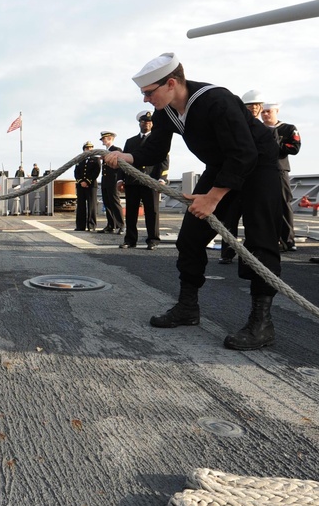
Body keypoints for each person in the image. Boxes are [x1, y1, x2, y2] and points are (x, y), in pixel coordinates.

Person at [104, 53, 282, 351]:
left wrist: (212, 198)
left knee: (261, 241)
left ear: (171, 83)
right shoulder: (167, 113)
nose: (146, 100)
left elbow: (244, 153)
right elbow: (155, 151)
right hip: (221, 166)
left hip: (257, 164)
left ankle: (262, 323)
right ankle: (188, 307)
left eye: (149, 93)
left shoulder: (216, 101)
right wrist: (128, 157)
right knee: (190, 237)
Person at [218, 90, 267, 263]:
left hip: (255, 182)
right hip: (236, 181)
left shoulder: (267, 130)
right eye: (249, 105)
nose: (253, 108)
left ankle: (252, 256)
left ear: (261, 107)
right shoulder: (234, 127)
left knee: (254, 220)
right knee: (230, 219)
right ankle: (227, 253)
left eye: (256, 105)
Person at [118, 112, 169, 250]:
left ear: (152, 124)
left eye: (149, 122)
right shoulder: (130, 141)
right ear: (139, 123)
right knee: (131, 213)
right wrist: (120, 180)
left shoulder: (158, 139)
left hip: (150, 181)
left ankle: (153, 240)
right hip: (132, 182)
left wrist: (162, 179)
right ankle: (130, 240)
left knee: (152, 212)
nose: (146, 123)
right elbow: (123, 161)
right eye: (143, 121)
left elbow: (164, 160)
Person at [261, 102, 302, 252]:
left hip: (279, 170)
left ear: (276, 111)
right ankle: (266, 239)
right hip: (260, 171)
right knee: (262, 206)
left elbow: (295, 148)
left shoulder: (288, 128)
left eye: (268, 111)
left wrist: (275, 145)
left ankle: (288, 240)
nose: (265, 114)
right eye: (263, 112)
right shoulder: (256, 129)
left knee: (284, 204)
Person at [97, 131, 124, 234]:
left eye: (104, 138)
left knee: (115, 203)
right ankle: (110, 225)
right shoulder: (105, 151)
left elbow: (119, 166)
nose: (103, 140)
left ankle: (121, 225)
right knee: (107, 203)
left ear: (110, 138)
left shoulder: (116, 150)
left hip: (113, 180)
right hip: (105, 181)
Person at [73, 141, 100, 231]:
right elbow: (76, 172)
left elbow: (96, 171)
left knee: (91, 205)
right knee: (80, 205)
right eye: (87, 148)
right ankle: (80, 226)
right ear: (84, 149)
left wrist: (87, 181)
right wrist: (81, 181)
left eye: (90, 148)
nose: (89, 149)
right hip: (81, 186)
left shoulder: (96, 159)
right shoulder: (79, 160)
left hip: (91, 185)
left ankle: (91, 225)